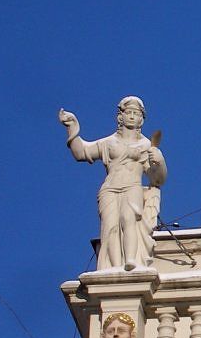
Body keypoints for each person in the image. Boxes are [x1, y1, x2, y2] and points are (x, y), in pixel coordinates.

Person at [59, 96, 166, 271]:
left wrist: (160, 161)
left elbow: (158, 179)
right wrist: (72, 128)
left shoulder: (146, 145)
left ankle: (131, 260)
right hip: (110, 188)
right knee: (110, 228)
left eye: (136, 113)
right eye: (128, 112)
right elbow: (82, 152)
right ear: (120, 117)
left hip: (132, 186)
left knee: (128, 219)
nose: (132, 116)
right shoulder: (109, 142)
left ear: (141, 119)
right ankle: (113, 267)